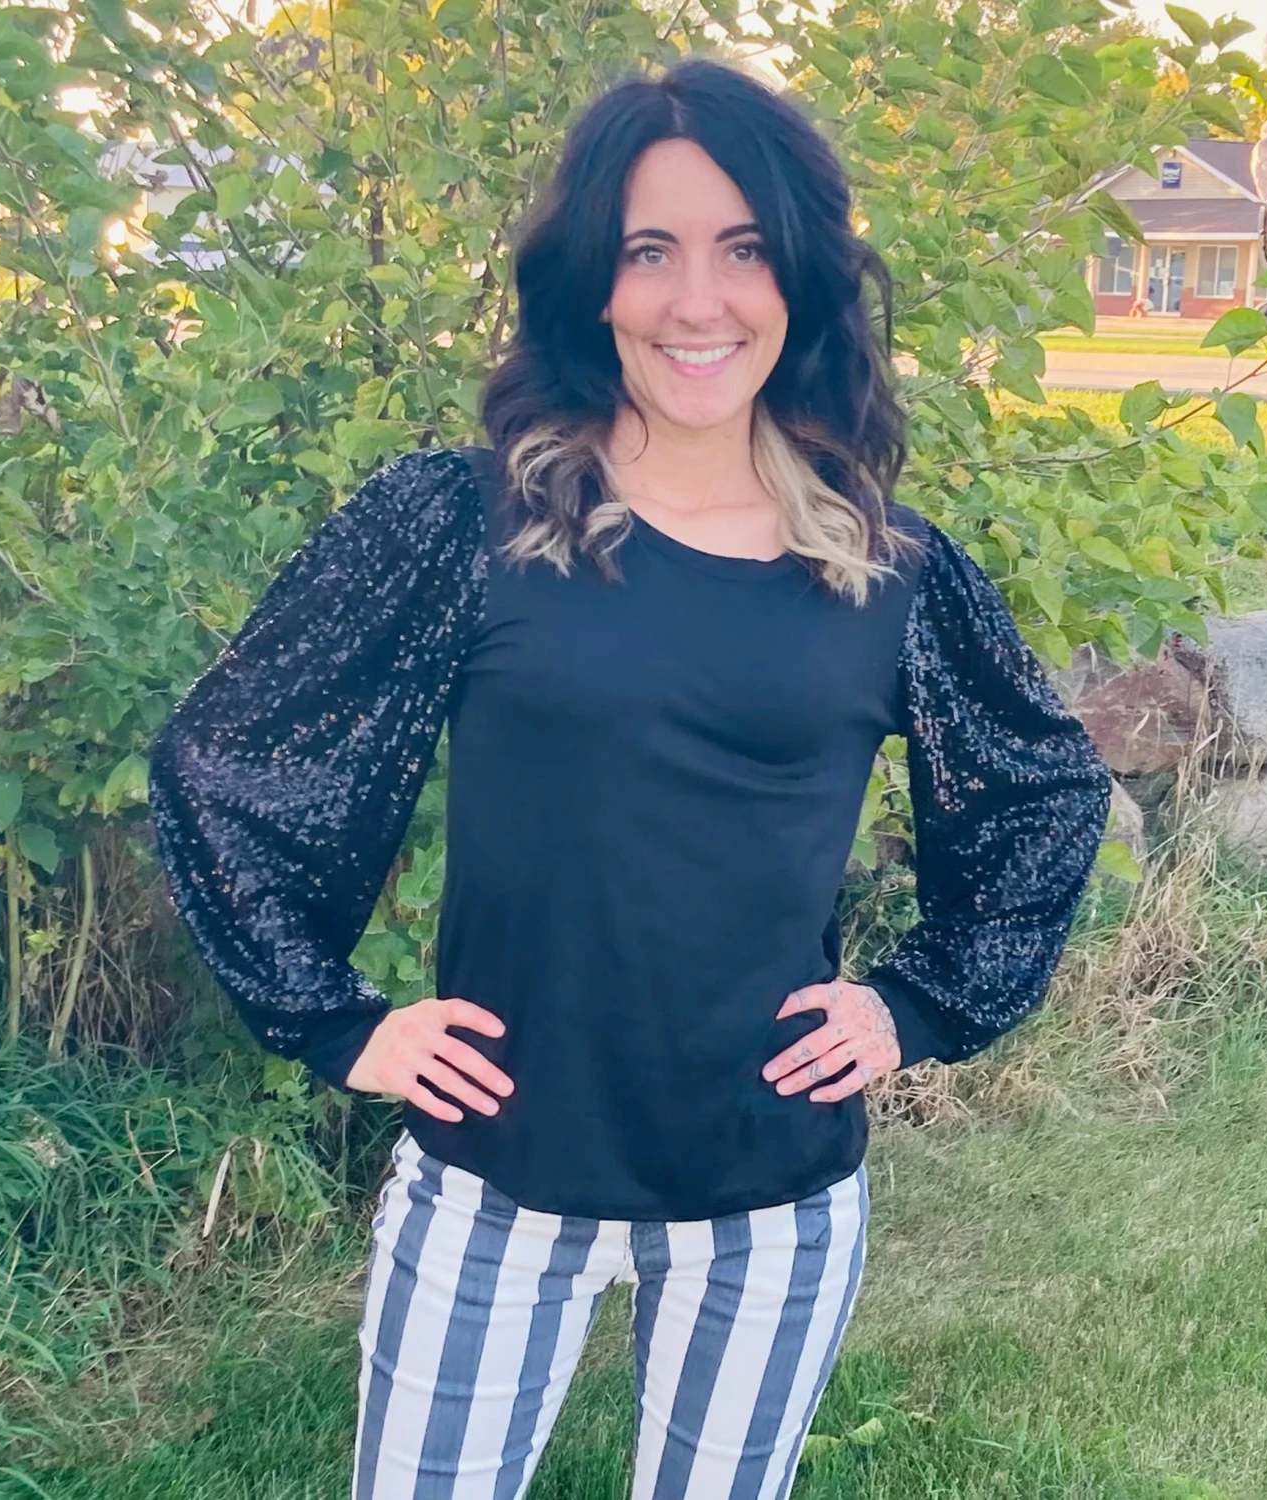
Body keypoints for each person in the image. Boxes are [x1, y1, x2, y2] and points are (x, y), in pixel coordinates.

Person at [147, 54, 1111, 1500]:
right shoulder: (464, 523)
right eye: (649, 250)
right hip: (494, 1182)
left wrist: (916, 1005)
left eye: (743, 249)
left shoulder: (888, 571)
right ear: (592, 281)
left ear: (801, 277)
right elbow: (228, 755)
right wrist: (337, 1022)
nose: (696, 301)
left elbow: (1042, 787)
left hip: (774, 1199)